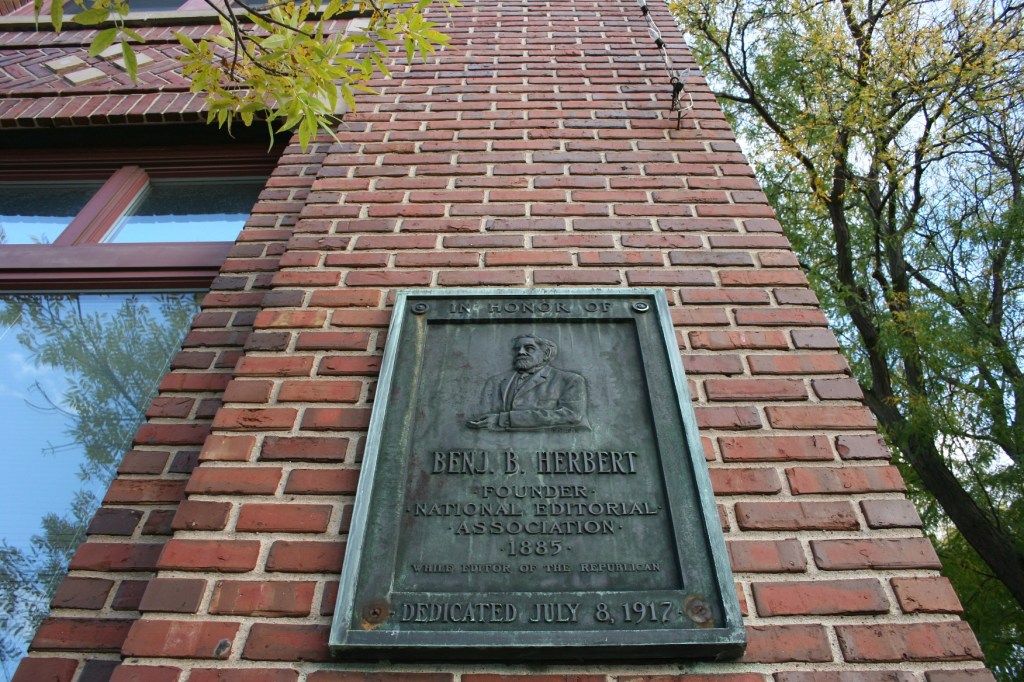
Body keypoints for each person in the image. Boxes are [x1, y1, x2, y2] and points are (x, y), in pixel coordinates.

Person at [466, 334, 589, 431]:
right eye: (517, 349)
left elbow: (572, 415)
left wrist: (504, 419)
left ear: (546, 354)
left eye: (529, 348)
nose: (520, 352)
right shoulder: (496, 382)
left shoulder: (570, 380)